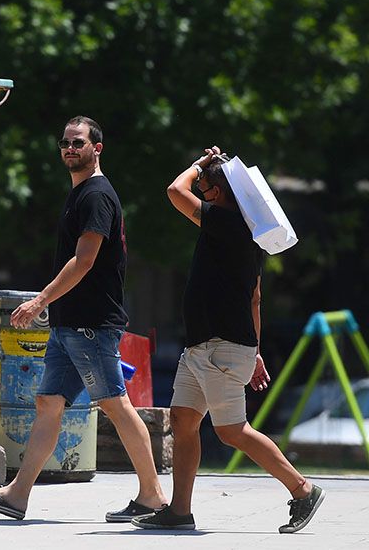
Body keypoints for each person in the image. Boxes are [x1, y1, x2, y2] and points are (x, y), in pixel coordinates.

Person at [0, 116, 167, 522]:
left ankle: (154, 497)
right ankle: (16, 495)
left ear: (98, 148)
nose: (70, 148)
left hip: (90, 324)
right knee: (48, 403)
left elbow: (85, 260)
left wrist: (38, 302)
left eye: (78, 142)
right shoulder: (79, 194)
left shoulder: (96, 196)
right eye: (65, 142)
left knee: (115, 404)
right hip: (67, 324)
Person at [132, 147, 324, 533]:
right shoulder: (245, 233)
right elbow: (255, 298)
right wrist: (253, 353)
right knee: (185, 422)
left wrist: (199, 164)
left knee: (232, 430)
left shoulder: (226, 222)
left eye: (204, 185)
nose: (199, 188)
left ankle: (303, 490)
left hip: (219, 346)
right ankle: (179, 511)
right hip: (208, 346)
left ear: (216, 192)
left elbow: (173, 190)